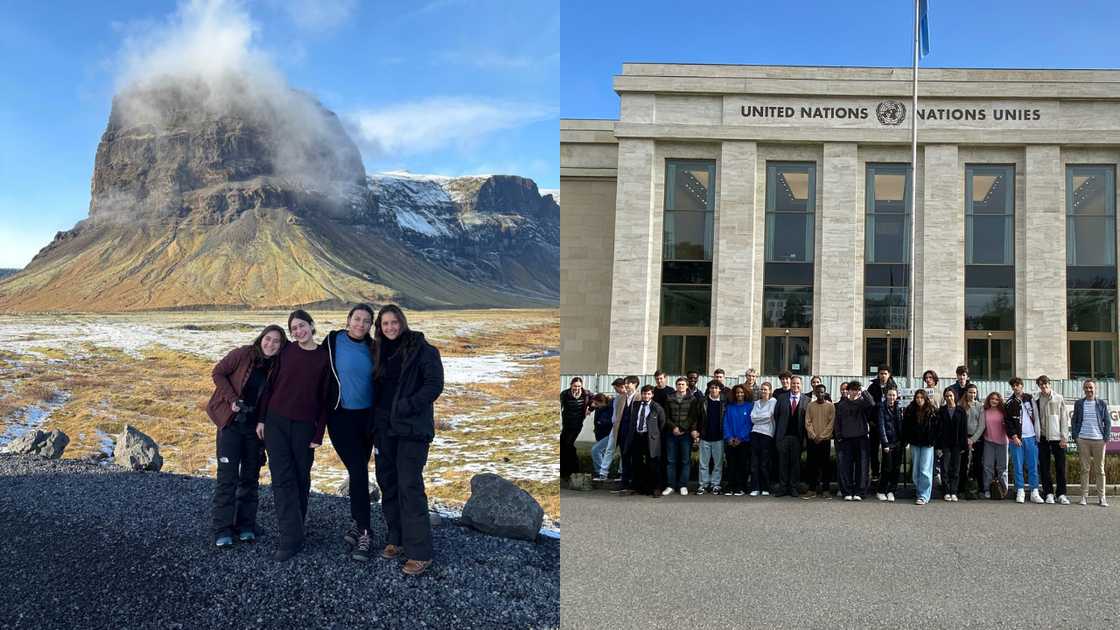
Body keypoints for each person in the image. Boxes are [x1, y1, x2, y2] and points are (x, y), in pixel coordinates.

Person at [370, 304, 445, 575]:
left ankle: (420, 552)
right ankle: (396, 538)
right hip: (384, 430)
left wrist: (407, 406)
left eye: (393, 322)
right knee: (388, 483)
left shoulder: (424, 350)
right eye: (384, 324)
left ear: (402, 322)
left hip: (411, 429)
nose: (390, 327)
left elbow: (434, 385)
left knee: (409, 486)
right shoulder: (378, 351)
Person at [256, 310, 331, 562]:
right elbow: (271, 386)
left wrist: (318, 434)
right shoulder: (286, 351)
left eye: (301, 326)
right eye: (293, 329)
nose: (298, 332)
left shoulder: (324, 358)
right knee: (282, 479)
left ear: (311, 325)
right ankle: (289, 539)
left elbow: (325, 401)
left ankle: (298, 528)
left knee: (301, 478)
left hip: (304, 427)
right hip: (276, 422)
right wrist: (262, 418)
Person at [207, 324, 287, 548]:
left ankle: (245, 525)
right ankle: (222, 529)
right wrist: (232, 399)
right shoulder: (243, 354)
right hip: (231, 424)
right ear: (261, 339)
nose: (270, 344)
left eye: (276, 341)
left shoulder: (276, 367)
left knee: (250, 477)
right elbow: (218, 372)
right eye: (267, 339)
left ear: (281, 346)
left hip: (255, 429)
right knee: (227, 477)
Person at [324, 304, 379, 561]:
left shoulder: (375, 347)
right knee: (357, 470)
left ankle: (358, 524)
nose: (361, 324)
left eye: (366, 321)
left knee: (357, 472)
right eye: (357, 319)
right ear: (348, 320)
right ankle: (366, 531)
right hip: (340, 417)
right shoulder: (333, 341)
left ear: (370, 325)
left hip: (367, 418)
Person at [1071, 379, 1111, 507]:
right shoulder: (1079, 404)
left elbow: (1108, 422)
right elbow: (1074, 420)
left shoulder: (1101, 404)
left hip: (1099, 440)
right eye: (1086, 388)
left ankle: (1102, 497)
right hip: (1083, 440)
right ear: (1084, 389)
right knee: (1084, 469)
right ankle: (1084, 496)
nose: (1089, 390)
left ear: (1095, 389)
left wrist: (1105, 437)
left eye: (1091, 388)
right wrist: (1076, 436)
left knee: (1100, 469)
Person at [1005, 377, 1044, 504]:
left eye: (1017, 385)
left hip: (1031, 436)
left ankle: (1034, 491)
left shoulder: (1030, 398)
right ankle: (1020, 490)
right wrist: (1014, 436)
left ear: (1022, 385)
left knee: (1033, 466)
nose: (1015, 387)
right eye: (1013, 386)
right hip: (1017, 439)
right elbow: (1007, 422)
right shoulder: (1010, 402)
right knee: (1018, 466)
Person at [623, 385, 666, 498]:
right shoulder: (636, 405)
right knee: (637, 463)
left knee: (652, 464)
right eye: (644, 393)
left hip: (650, 439)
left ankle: (656, 488)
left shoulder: (657, 407)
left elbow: (662, 424)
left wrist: (654, 435)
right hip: (637, 437)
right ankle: (638, 487)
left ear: (652, 395)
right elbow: (633, 421)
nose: (646, 396)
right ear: (641, 394)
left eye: (648, 394)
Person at [1032, 375, 1069, 504]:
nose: (1044, 387)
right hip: (1042, 437)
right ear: (1039, 386)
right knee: (1044, 467)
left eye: (1046, 384)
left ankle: (1062, 494)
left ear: (1050, 385)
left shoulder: (1058, 398)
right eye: (1041, 385)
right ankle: (1048, 493)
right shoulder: (1035, 399)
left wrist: (1064, 437)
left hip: (1057, 437)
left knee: (1060, 467)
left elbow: (1064, 419)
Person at [835, 380, 874, 500]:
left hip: (861, 438)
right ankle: (847, 492)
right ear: (848, 391)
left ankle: (859, 492)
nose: (854, 392)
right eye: (852, 389)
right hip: (846, 439)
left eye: (857, 390)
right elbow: (837, 422)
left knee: (862, 466)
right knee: (845, 467)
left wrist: (863, 390)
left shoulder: (862, 403)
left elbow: (872, 403)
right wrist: (839, 435)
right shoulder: (842, 404)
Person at [903, 389, 940, 506]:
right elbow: (906, 426)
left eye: (921, 398)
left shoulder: (932, 410)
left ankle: (924, 495)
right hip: (915, 443)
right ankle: (919, 491)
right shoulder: (910, 410)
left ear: (925, 398)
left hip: (927, 444)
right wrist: (906, 439)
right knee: (915, 470)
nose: (919, 400)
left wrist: (933, 441)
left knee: (925, 470)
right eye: (917, 397)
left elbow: (937, 428)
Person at [690, 380, 726, 495]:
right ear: (709, 389)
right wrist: (695, 430)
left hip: (719, 437)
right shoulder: (702, 401)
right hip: (705, 436)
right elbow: (696, 417)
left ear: (720, 389)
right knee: (703, 463)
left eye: (716, 388)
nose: (714, 389)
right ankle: (703, 484)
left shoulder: (724, 402)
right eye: (711, 387)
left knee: (718, 463)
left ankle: (716, 484)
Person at [774, 375, 808, 497]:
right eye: (793, 383)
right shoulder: (781, 398)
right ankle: (783, 487)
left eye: (798, 384)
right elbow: (776, 416)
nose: (795, 386)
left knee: (795, 464)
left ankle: (793, 487)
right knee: (782, 463)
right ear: (790, 384)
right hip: (783, 436)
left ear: (801, 385)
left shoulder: (806, 400)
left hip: (797, 437)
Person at [662, 377, 695, 495]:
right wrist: (674, 428)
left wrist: (682, 428)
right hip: (671, 433)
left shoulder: (692, 399)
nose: (681, 386)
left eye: (683, 384)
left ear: (687, 386)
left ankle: (683, 485)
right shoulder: (669, 398)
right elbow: (666, 416)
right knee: (671, 460)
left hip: (686, 434)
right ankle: (670, 485)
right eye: (679, 384)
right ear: (676, 386)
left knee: (685, 461)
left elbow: (692, 417)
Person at [607, 376, 641, 491]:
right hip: (622, 432)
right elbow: (617, 416)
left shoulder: (640, 397)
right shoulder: (621, 398)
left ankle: (635, 483)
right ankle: (624, 482)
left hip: (635, 433)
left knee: (636, 458)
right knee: (625, 457)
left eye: (628, 383)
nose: (626, 385)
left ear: (635, 384)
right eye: (625, 383)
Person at [804, 383, 835, 498]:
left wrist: (821, 436)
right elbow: (807, 421)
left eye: (822, 392)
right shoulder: (810, 406)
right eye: (818, 392)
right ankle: (812, 489)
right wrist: (813, 435)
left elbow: (831, 424)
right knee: (812, 465)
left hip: (825, 440)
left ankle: (826, 490)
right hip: (813, 440)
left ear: (825, 393)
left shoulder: (831, 406)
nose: (820, 394)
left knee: (825, 466)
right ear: (815, 393)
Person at [722, 384, 754, 496]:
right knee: (731, 464)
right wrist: (729, 437)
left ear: (745, 393)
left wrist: (740, 437)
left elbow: (749, 424)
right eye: (737, 392)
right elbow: (726, 423)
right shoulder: (730, 407)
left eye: (741, 392)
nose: (739, 394)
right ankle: (731, 486)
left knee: (742, 465)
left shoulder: (750, 406)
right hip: (730, 441)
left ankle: (741, 487)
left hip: (744, 441)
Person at [866, 368, 896, 483]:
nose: (883, 376)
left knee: (886, 450)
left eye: (885, 373)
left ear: (889, 375)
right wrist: (870, 420)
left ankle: (885, 474)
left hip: (887, 424)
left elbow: (895, 403)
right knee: (873, 450)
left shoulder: (893, 386)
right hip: (874, 424)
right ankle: (875, 473)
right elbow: (868, 405)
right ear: (878, 375)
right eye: (881, 374)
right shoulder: (872, 387)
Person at [939, 388, 968, 502]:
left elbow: (964, 430)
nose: (949, 398)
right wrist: (938, 447)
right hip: (945, 444)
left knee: (956, 469)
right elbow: (938, 429)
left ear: (955, 396)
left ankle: (954, 491)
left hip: (957, 444)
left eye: (951, 396)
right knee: (945, 468)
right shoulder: (941, 411)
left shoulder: (961, 411)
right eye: (946, 396)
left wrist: (963, 446)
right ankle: (946, 491)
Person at [560, 376, 591, 481]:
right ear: (571, 385)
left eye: (579, 386)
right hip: (567, 423)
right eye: (574, 386)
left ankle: (572, 470)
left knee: (568, 445)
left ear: (581, 386)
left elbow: (598, 399)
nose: (577, 388)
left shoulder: (586, 394)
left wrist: (590, 409)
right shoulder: (565, 394)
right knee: (564, 445)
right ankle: (568, 471)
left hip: (577, 424)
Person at [981, 392, 1010, 500]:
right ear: (989, 400)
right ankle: (987, 489)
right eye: (992, 399)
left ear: (1000, 401)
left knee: (1002, 468)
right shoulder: (984, 411)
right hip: (989, 441)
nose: (994, 401)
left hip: (1003, 442)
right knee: (988, 467)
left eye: (997, 399)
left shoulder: (1003, 412)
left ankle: (1003, 489)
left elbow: (1009, 426)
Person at [875, 387, 903, 502]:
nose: (891, 397)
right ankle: (881, 490)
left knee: (896, 468)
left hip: (898, 441)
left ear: (897, 396)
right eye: (890, 395)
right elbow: (881, 426)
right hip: (888, 442)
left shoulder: (899, 407)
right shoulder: (881, 407)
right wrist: (885, 443)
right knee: (887, 467)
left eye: (893, 395)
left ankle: (892, 491)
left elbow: (902, 424)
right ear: (886, 396)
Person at [749, 382, 777, 497]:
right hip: (755, 433)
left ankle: (766, 487)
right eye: (762, 389)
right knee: (755, 462)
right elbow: (752, 418)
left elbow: (770, 416)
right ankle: (755, 487)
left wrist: (759, 417)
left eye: (765, 389)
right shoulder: (756, 403)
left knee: (764, 462)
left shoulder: (773, 402)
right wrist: (763, 417)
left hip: (767, 434)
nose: (763, 391)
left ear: (770, 391)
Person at [961, 383, 985, 500]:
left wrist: (972, 439)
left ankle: (979, 489)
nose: (972, 394)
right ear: (966, 392)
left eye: (974, 392)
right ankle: (961, 489)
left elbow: (982, 425)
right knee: (963, 464)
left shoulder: (980, 406)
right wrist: (965, 439)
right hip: (963, 439)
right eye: (970, 392)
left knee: (977, 464)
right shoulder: (960, 405)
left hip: (977, 439)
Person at [589, 393, 615, 481]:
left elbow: (612, 420)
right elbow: (590, 400)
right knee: (601, 453)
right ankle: (603, 474)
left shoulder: (610, 408)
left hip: (609, 434)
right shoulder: (600, 407)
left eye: (596, 404)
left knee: (595, 450)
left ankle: (601, 473)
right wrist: (590, 408)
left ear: (602, 402)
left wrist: (601, 422)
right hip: (600, 434)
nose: (594, 405)